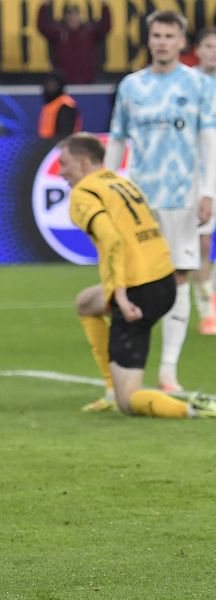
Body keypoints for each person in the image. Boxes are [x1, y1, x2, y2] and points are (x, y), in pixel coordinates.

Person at [60, 133, 216, 419]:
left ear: (83, 164)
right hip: (163, 278)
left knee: (129, 401)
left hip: (137, 291)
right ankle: (110, 389)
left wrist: (120, 294)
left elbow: (112, 240)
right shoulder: (122, 183)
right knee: (86, 303)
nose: (61, 172)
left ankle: (194, 407)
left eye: (65, 164)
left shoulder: (84, 193)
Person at [105, 10, 216, 393]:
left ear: (182, 42)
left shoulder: (200, 85)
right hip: (140, 201)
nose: (163, 42)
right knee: (134, 283)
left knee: (179, 277)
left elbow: (208, 139)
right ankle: (120, 373)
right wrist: (107, 187)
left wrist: (209, 191)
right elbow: (117, 138)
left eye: (170, 35)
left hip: (184, 197)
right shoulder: (132, 86)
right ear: (148, 40)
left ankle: (168, 372)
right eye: (157, 35)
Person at [192, 28, 216, 335]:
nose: (214, 51)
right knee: (202, 242)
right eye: (209, 46)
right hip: (197, 174)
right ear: (197, 49)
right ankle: (206, 307)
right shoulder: (186, 84)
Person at [36, 0, 111, 85]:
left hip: (86, 82)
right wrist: (43, 6)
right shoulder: (59, 33)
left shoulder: (89, 33)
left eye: (75, 14)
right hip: (64, 83)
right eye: (69, 14)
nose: (72, 18)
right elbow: (42, 27)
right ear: (65, 17)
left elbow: (105, 27)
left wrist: (105, 7)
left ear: (80, 16)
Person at [37, 70, 80, 140]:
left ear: (60, 86)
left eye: (53, 84)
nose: (49, 87)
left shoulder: (65, 105)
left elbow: (65, 134)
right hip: (47, 145)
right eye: (47, 84)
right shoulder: (50, 104)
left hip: (60, 147)